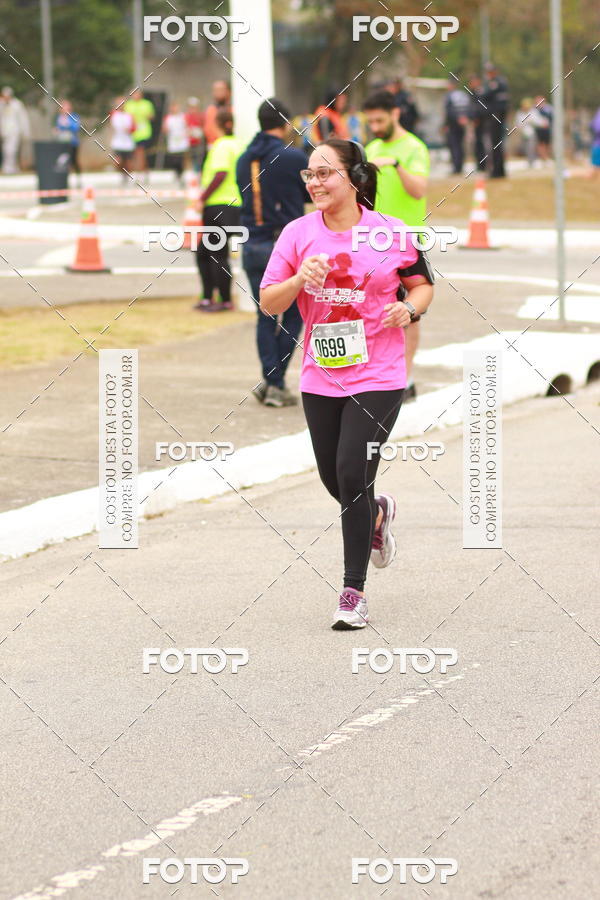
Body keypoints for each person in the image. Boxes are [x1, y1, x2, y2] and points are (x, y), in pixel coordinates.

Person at [260, 139, 434, 629]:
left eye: (324, 173)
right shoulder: (297, 234)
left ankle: (352, 591)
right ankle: (376, 514)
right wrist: (299, 280)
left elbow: (422, 284)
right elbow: (269, 303)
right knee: (333, 478)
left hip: (380, 373)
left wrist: (409, 308)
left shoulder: (391, 233)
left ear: (353, 178)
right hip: (321, 374)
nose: (314, 182)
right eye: (309, 175)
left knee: (352, 472)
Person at [236, 98, 310, 408]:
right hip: (285, 245)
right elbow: (310, 192)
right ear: (285, 123)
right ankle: (276, 383)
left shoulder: (244, 159)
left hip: (253, 242)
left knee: (264, 315)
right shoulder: (293, 157)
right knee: (294, 313)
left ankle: (270, 381)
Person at [363, 90, 430, 401]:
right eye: (371, 122)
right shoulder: (371, 148)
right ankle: (380, 373)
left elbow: (418, 191)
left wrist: (396, 165)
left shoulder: (414, 148)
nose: (375, 127)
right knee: (374, 310)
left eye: (380, 120)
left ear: (395, 114)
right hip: (371, 241)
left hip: (407, 241)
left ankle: (406, 377)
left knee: (409, 312)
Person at [194, 108, 242, 312]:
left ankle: (224, 299)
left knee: (216, 253)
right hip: (235, 205)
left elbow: (220, 174)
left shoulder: (221, 146)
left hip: (219, 205)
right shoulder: (239, 144)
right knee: (205, 252)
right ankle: (209, 296)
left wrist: (202, 198)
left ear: (217, 125)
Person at [483, 63, 510, 178]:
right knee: (497, 144)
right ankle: (499, 170)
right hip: (498, 116)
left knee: (495, 144)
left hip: (496, 116)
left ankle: (497, 171)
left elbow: (486, 95)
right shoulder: (502, 82)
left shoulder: (496, 82)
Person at [124, 89, 155, 181]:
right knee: (134, 154)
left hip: (143, 133)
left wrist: (146, 116)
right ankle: (144, 171)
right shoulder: (128, 105)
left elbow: (152, 116)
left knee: (140, 152)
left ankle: (139, 174)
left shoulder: (147, 104)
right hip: (131, 134)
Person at [0, 86, 30, 174]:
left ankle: (10, 167)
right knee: (6, 150)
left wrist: (25, 131)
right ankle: (8, 166)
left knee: (11, 149)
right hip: (4, 132)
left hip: (14, 131)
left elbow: (23, 118)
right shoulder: (1, 104)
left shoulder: (17, 104)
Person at [444, 79, 471, 175]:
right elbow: (469, 108)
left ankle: (456, 167)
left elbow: (448, 111)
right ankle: (460, 166)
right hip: (462, 123)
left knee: (454, 145)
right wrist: (465, 118)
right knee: (460, 145)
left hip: (453, 124)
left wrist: (446, 124)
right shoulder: (463, 95)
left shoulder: (450, 96)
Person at [109, 97, 136, 182]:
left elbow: (134, 127)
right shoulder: (114, 114)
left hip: (128, 143)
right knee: (118, 161)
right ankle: (122, 174)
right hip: (117, 142)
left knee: (128, 162)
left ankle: (128, 176)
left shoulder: (129, 115)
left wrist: (129, 129)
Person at [54, 99, 81, 181]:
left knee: (73, 161)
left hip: (72, 143)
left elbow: (75, 128)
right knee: (63, 161)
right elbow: (57, 128)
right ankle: (63, 179)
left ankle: (78, 178)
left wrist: (66, 126)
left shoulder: (74, 117)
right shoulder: (59, 118)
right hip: (62, 143)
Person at [162, 101, 189, 182]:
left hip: (182, 141)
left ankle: (182, 173)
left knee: (181, 158)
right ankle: (177, 173)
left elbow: (187, 126)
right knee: (174, 159)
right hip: (173, 142)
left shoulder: (183, 116)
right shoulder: (168, 118)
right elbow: (165, 130)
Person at [203, 80, 231, 147]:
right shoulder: (210, 110)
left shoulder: (234, 110)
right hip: (213, 146)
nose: (218, 93)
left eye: (221, 89)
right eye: (215, 90)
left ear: (229, 92)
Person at [468, 75, 487, 171]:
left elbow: (480, 108)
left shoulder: (481, 93)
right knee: (477, 144)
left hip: (481, 123)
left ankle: (483, 165)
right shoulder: (472, 93)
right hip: (476, 123)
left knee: (482, 143)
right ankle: (480, 164)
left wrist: (476, 118)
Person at [514, 98, 537, 167]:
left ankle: (532, 162)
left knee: (531, 148)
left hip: (531, 133)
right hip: (523, 133)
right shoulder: (519, 113)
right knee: (525, 148)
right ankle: (529, 161)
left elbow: (536, 121)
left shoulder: (533, 112)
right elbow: (518, 123)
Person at [185, 96, 205, 172]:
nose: (192, 109)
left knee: (198, 159)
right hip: (188, 142)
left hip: (198, 142)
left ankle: (197, 172)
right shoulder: (186, 116)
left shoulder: (201, 116)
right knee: (189, 159)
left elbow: (203, 128)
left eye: (194, 107)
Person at [532, 95, 553, 164]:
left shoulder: (548, 108)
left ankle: (547, 158)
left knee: (547, 143)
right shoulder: (534, 109)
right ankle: (543, 158)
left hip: (547, 129)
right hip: (539, 129)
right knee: (540, 144)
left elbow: (551, 117)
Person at [589, 106, 600, 180]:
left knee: (593, 173)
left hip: (597, 146)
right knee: (593, 173)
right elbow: (597, 129)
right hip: (598, 147)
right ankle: (567, 174)